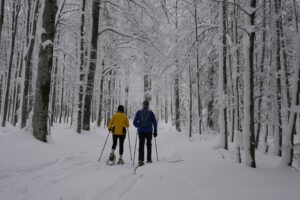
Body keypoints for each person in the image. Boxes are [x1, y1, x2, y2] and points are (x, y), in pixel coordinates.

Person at [133, 100, 157, 166]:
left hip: (141, 131)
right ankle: (149, 159)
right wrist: (155, 131)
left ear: (143, 105)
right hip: (149, 131)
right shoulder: (151, 113)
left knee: (141, 145)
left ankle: (141, 160)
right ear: (148, 105)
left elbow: (134, 122)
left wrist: (138, 126)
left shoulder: (139, 112)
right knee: (149, 145)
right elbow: (155, 122)